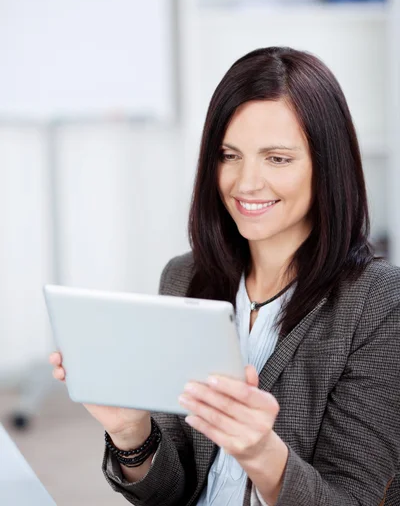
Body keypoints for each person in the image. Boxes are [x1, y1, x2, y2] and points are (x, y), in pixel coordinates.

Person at [50, 47, 400, 506]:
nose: (245, 183)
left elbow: (353, 499)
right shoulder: (185, 277)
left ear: (327, 166)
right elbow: (170, 494)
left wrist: (261, 454)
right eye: (229, 155)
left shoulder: (380, 302)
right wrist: (130, 430)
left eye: (277, 158)